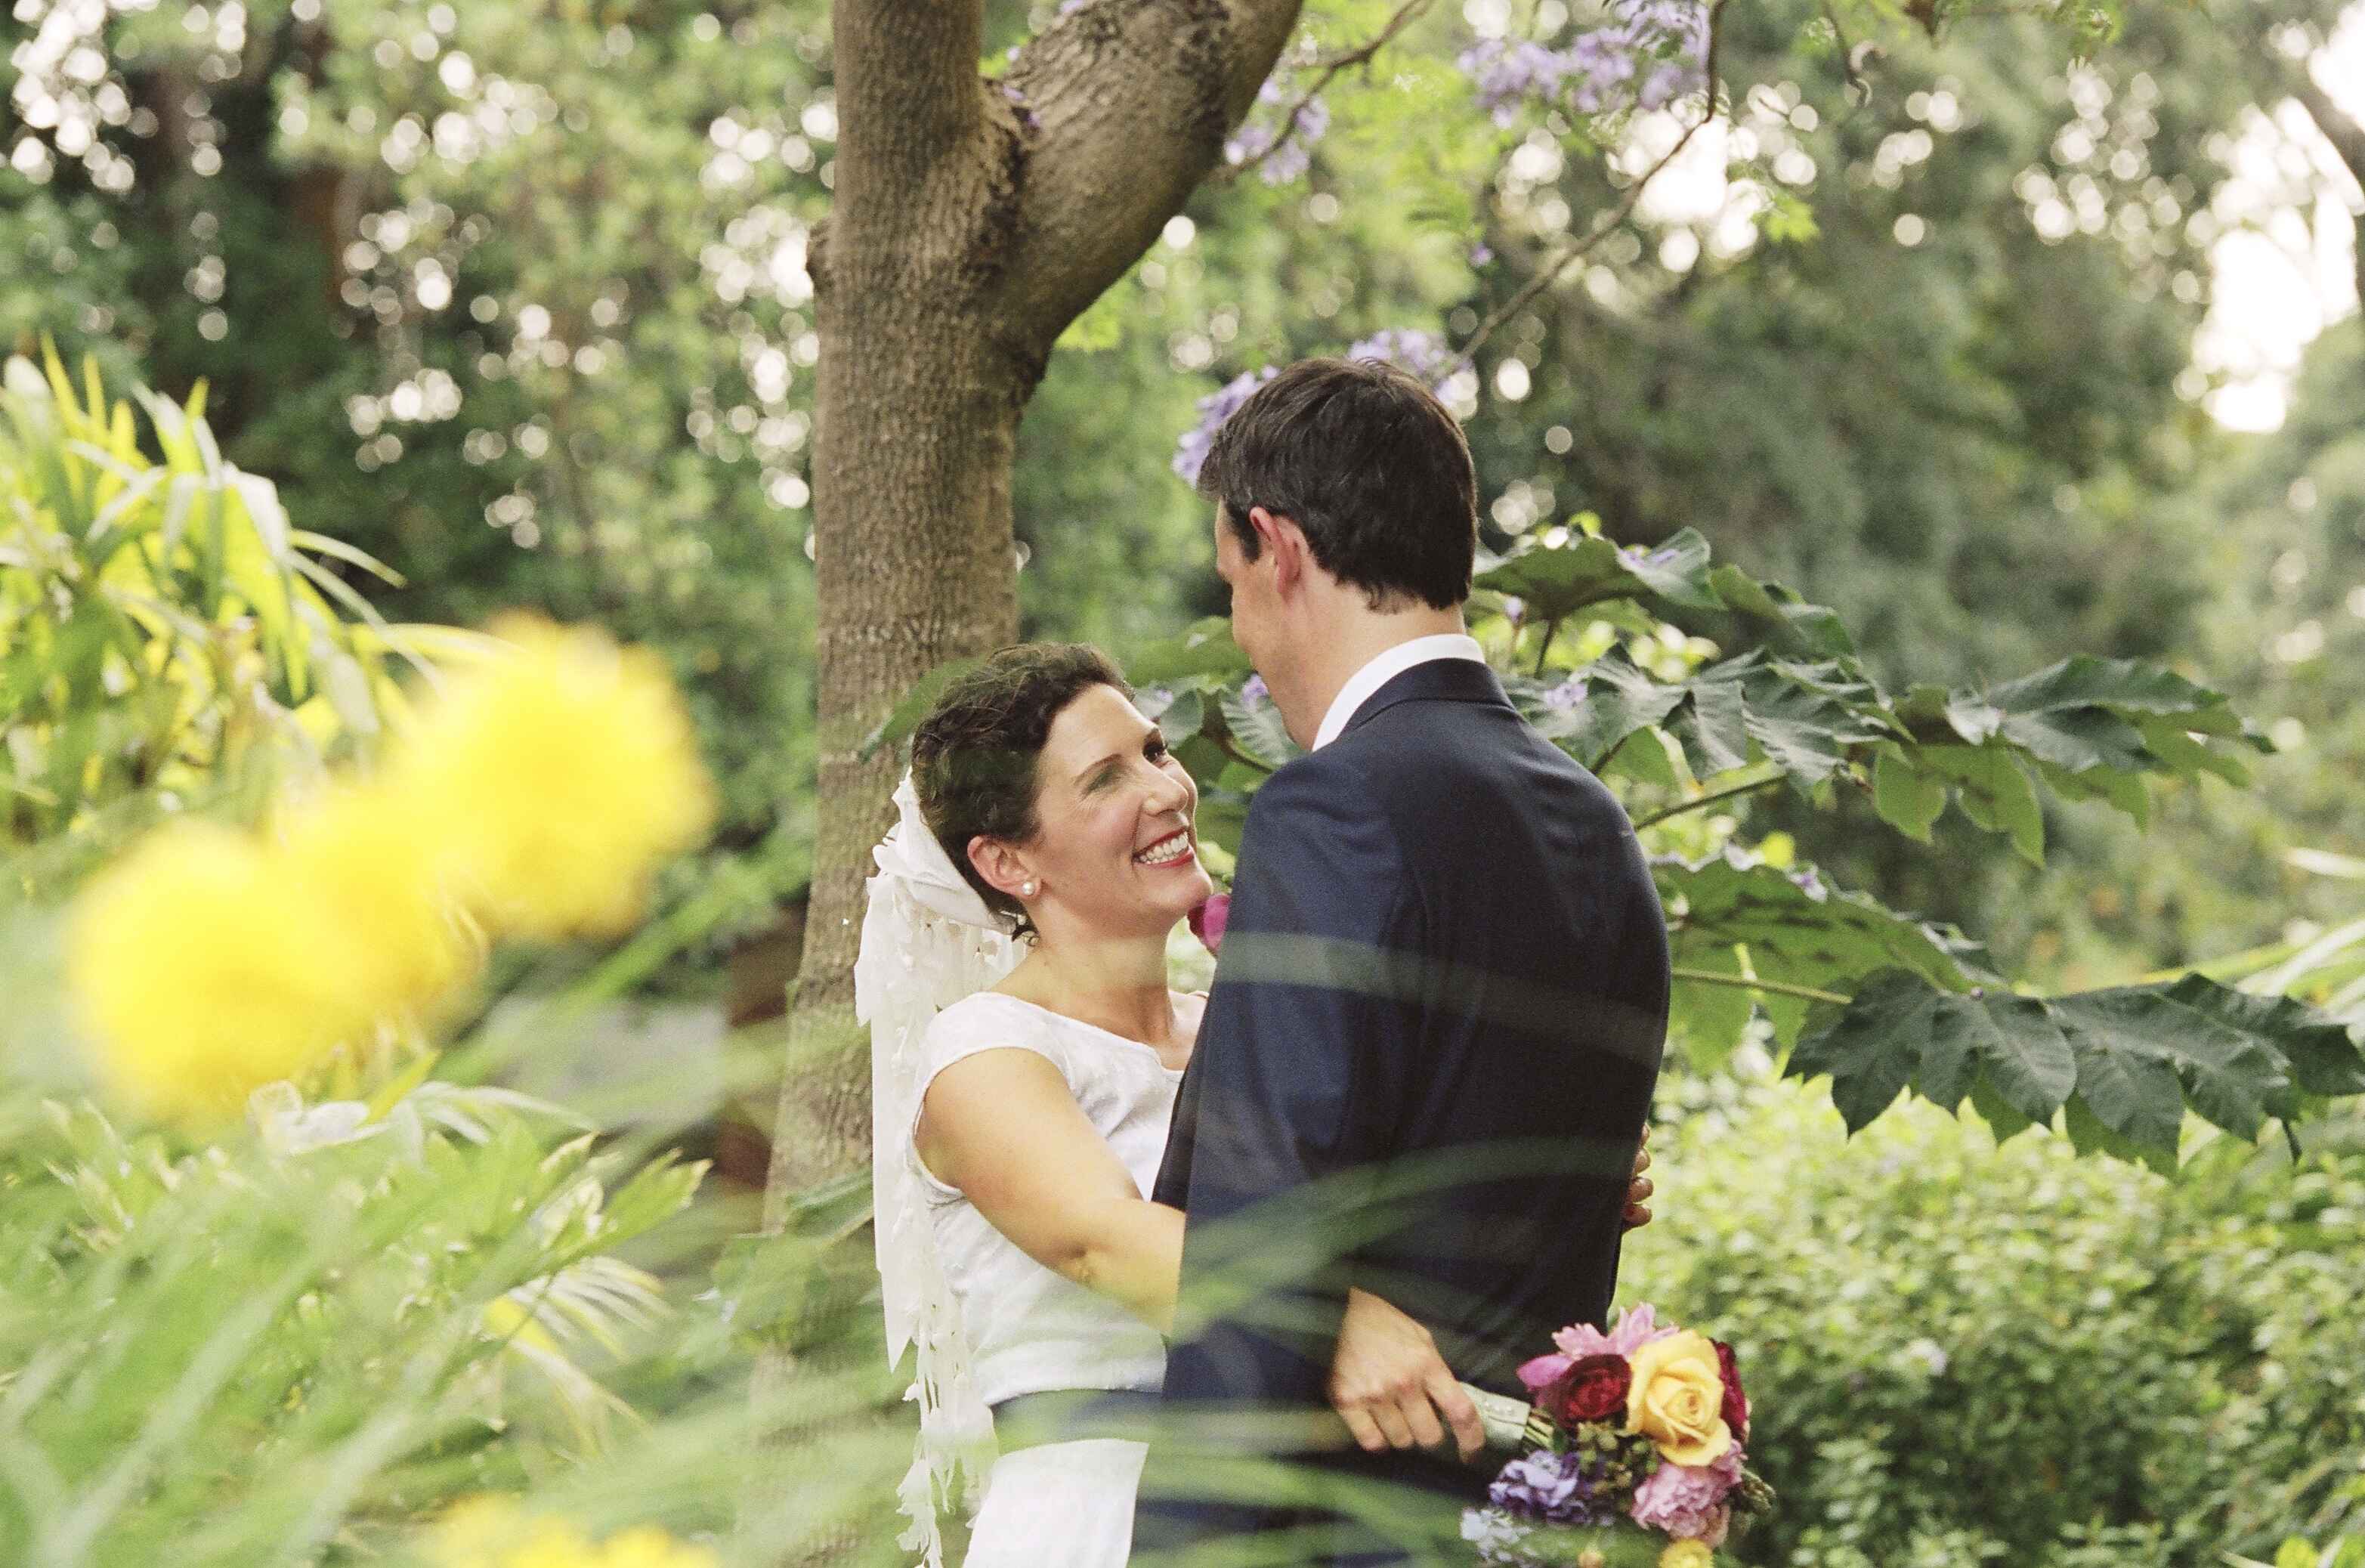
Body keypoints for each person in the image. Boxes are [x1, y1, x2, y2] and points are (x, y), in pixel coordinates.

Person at [861, 641, 1656, 1568]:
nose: (1165, 789)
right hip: (1101, 1516)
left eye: (1155, 751)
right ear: (1006, 862)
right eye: (1104, 778)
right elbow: (1104, 1237)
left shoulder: (1242, 1026)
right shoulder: (985, 1054)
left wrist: (1567, 1167)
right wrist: (1331, 1315)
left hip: (1300, 1512)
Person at [1134, 357, 1671, 1565]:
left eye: (1230, 582)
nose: (1239, 629)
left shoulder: (1335, 807)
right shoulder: (1598, 827)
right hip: (1525, 1519)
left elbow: (1262, 1228)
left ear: (1274, 546)